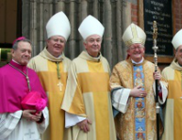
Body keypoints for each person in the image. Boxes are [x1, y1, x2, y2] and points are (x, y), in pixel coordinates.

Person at [61, 15, 116, 140]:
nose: (95, 43)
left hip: (105, 115)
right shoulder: (76, 63)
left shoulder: (105, 62)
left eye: (98, 40)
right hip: (88, 118)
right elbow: (73, 91)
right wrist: (79, 118)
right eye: (92, 41)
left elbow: (111, 87)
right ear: (85, 44)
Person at [110, 23, 167, 140]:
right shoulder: (119, 68)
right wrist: (130, 92)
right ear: (128, 51)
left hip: (149, 119)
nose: (137, 50)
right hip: (128, 121)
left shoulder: (153, 68)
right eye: (133, 47)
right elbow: (112, 89)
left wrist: (159, 83)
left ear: (144, 49)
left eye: (139, 47)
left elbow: (162, 93)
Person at [28, 11, 71, 140]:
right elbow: (28, 90)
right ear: (48, 41)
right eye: (55, 40)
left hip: (65, 114)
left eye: (61, 41)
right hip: (44, 113)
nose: (58, 43)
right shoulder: (35, 62)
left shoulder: (70, 64)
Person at [0, 37, 49, 139]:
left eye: (29, 51)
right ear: (13, 52)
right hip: (13, 129)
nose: (27, 54)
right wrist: (21, 114)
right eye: (23, 51)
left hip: (33, 128)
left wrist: (40, 115)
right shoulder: (2, 74)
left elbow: (42, 102)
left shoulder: (32, 74)